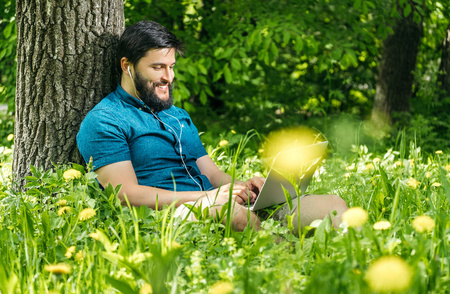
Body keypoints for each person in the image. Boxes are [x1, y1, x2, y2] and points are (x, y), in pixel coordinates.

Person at [76, 20, 347, 233]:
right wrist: (209, 196)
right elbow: (124, 194)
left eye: (171, 67)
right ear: (127, 66)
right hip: (168, 215)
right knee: (228, 212)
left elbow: (213, 175)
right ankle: (281, 256)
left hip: (217, 202)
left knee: (334, 206)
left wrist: (245, 188)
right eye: (158, 67)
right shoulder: (105, 120)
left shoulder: (177, 116)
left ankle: (282, 238)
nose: (168, 77)